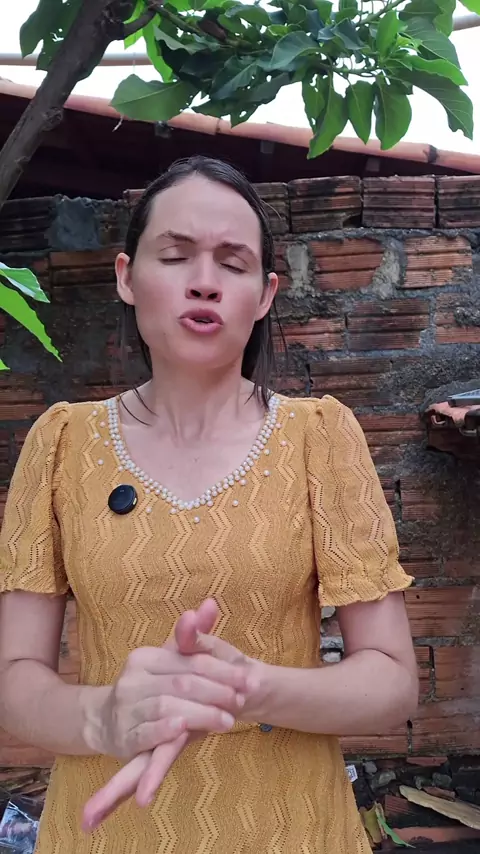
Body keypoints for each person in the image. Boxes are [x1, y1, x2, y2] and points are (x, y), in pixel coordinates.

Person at [0, 155, 418, 854]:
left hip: (292, 830)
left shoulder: (320, 437)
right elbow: (15, 682)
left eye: (233, 262)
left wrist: (248, 687)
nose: (204, 280)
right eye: (175, 255)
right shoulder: (62, 444)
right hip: (108, 833)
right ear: (127, 277)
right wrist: (103, 716)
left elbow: (393, 681)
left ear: (264, 294)